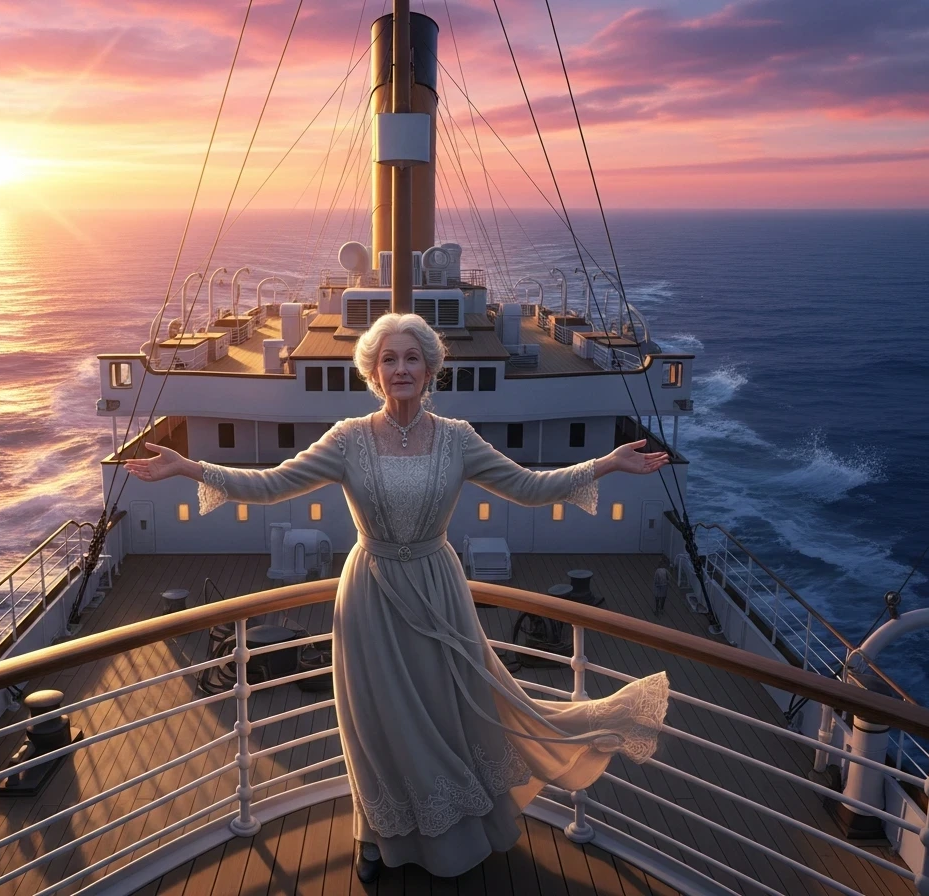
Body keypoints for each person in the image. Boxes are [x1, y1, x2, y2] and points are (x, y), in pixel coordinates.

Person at [124, 313, 671, 882]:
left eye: (412, 357)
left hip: (439, 588)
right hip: (370, 594)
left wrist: (604, 462)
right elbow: (272, 483)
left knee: (448, 712)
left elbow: (529, 487)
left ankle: (452, 836)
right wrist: (189, 465)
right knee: (375, 723)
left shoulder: (457, 438)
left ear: (430, 367)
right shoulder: (348, 439)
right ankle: (376, 834)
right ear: (373, 371)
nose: (401, 368)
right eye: (390, 358)